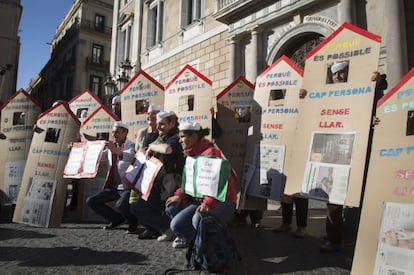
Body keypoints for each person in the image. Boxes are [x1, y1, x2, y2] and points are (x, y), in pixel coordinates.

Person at [165, 121, 237, 249]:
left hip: (222, 202)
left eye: (182, 137)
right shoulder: (190, 155)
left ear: (194, 137)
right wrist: (179, 195)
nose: (180, 141)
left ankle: (208, 247)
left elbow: (217, 183)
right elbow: (189, 181)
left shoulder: (211, 153)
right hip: (200, 201)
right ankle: (198, 242)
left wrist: (208, 203)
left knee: (197, 219)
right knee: (176, 225)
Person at [130, 110, 185, 241]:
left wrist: (151, 147)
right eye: (158, 124)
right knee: (138, 208)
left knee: (142, 208)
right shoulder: (161, 137)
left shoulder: (175, 137)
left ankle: (169, 229)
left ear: (172, 123)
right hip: (156, 182)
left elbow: (168, 149)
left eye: (162, 124)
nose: (158, 127)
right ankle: (163, 228)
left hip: (170, 184)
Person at [86, 121, 137, 231]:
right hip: (113, 186)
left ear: (125, 133)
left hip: (127, 187)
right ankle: (116, 219)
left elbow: (130, 156)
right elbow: (98, 155)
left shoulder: (131, 145)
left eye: (117, 132)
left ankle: (133, 224)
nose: (114, 135)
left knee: (121, 204)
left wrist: (117, 151)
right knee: (91, 201)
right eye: (113, 132)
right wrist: (78, 149)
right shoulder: (111, 146)